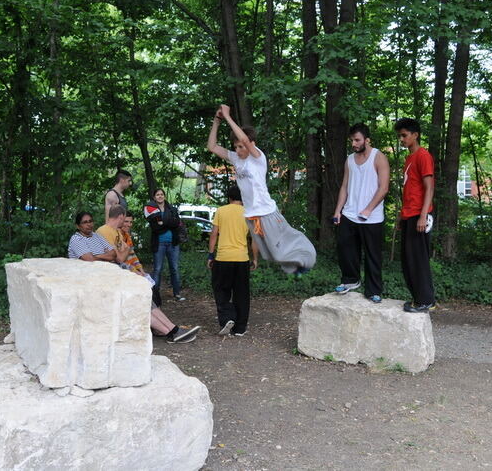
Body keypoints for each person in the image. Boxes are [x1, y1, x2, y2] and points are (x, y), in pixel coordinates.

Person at [207, 104, 316, 276]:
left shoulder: (258, 157)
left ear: (252, 144)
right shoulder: (236, 159)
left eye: (241, 147)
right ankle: (297, 266)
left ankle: (307, 254)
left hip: (266, 212)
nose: (238, 150)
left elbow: (244, 140)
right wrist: (217, 120)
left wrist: (228, 116)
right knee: (268, 254)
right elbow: (212, 147)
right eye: (235, 147)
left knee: (280, 250)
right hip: (251, 215)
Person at [71, 210, 199, 343]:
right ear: (78, 226)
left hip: (110, 277)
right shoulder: (77, 239)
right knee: (138, 301)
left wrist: (97, 256)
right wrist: (102, 256)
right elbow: (90, 260)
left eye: (90, 221)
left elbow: (113, 255)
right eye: (85, 222)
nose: (89, 224)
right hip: (96, 284)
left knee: (146, 300)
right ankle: (172, 332)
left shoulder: (96, 236)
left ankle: (173, 330)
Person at [332, 123, 390, 302]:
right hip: (349, 214)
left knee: (373, 255)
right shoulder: (349, 159)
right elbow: (344, 186)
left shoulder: (379, 157)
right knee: (345, 248)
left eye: (357, 140)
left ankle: (374, 290)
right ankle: (350, 280)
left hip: (371, 217)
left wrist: (368, 209)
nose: (354, 144)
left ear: (367, 140)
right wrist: (338, 211)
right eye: (352, 140)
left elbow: (384, 188)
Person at [394, 118, 436, 313]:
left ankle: (426, 300)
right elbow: (410, 191)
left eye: (404, 135)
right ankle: (417, 298)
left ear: (415, 135)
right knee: (408, 259)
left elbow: (429, 188)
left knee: (418, 259)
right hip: (409, 215)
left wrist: (422, 215)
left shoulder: (423, 156)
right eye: (400, 136)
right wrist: (402, 218)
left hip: (420, 216)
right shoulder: (409, 159)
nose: (401, 139)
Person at [207, 186, 259, 337]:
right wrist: (255, 258)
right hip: (242, 259)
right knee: (241, 293)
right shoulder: (249, 213)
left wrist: (211, 255)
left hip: (223, 258)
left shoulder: (221, 211)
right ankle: (240, 328)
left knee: (221, 290)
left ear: (229, 198)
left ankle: (228, 318)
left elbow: (214, 235)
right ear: (242, 198)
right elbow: (254, 239)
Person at [145, 188, 185, 303]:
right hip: (159, 243)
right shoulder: (151, 210)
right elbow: (155, 227)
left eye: (162, 194)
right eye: (157, 195)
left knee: (175, 268)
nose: (160, 196)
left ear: (164, 196)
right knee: (157, 269)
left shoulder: (172, 209)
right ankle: (155, 295)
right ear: (154, 197)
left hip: (173, 243)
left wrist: (163, 222)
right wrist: (168, 223)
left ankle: (177, 293)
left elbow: (176, 223)